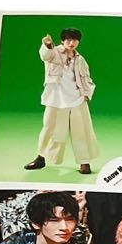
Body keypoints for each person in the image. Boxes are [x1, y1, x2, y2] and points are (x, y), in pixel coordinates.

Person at [24, 28, 100, 175]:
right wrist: (47, 45)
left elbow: (87, 78)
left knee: (82, 131)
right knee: (49, 129)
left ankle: (84, 162)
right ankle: (41, 158)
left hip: (77, 99)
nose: (71, 43)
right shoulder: (54, 52)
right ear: (62, 41)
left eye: (75, 40)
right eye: (68, 40)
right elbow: (45, 55)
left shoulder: (80, 59)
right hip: (56, 98)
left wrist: (86, 94)